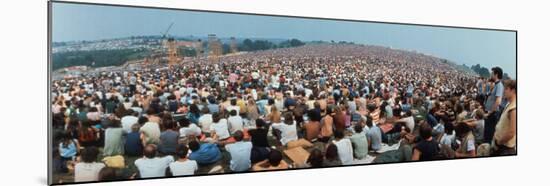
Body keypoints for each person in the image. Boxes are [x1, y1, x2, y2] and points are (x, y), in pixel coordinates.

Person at [492, 80, 516, 155]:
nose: (504, 91)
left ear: (513, 90)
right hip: (501, 145)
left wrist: (499, 142)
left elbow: (511, 132)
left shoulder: (514, 108)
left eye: (506, 89)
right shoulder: (509, 104)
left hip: (505, 148)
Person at [484, 67, 504, 143]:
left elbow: (498, 101)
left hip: (492, 114)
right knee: (487, 133)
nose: (490, 75)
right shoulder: (495, 85)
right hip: (489, 113)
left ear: (496, 74)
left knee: (489, 134)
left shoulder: (499, 85)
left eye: (492, 73)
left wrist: (490, 112)